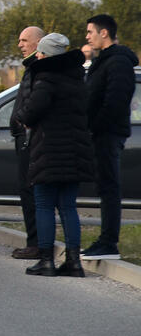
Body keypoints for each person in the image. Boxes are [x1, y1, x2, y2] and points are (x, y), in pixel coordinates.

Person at [15, 33, 93, 277]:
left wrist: (23, 118)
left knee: (44, 205)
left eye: (40, 52)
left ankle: (46, 260)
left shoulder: (46, 79)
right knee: (68, 206)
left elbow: (29, 113)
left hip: (48, 151)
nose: (36, 55)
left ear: (47, 55)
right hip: (75, 152)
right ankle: (74, 262)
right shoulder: (78, 79)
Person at [82, 14, 138, 261]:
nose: (87, 37)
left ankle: (108, 242)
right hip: (100, 132)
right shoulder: (104, 60)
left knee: (110, 187)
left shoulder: (118, 62)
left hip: (108, 133)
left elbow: (115, 101)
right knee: (105, 187)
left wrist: (95, 126)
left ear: (104, 33)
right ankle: (105, 241)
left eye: (90, 32)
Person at [9, 26, 45, 260]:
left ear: (38, 42)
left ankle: (37, 243)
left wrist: (22, 120)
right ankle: (35, 241)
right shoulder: (30, 68)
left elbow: (33, 104)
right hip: (25, 139)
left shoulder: (38, 70)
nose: (20, 45)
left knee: (32, 192)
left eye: (24, 40)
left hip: (32, 140)